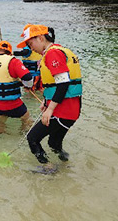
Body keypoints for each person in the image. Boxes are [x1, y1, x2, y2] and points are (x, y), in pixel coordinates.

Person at [17, 24, 82, 164]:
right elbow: (59, 83)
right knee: (53, 143)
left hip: (63, 110)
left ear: (40, 38)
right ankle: (66, 165)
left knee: (32, 138)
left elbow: (63, 84)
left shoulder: (52, 53)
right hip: (71, 110)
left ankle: (48, 169)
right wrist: (46, 101)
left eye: (30, 43)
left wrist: (50, 109)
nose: (30, 48)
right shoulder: (59, 50)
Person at [0, 41, 34, 135]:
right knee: (26, 117)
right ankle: (23, 133)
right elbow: (28, 77)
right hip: (12, 104)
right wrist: (27, 86)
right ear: (10, 52)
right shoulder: (13, 61)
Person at [14, 24, 43, 91]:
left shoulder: (28, 47)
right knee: (39, 90)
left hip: (32, 75)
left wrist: (13, 53)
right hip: (38, 74)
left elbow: (26, 52)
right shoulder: (40, 46)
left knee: (29, 91)